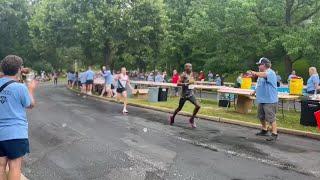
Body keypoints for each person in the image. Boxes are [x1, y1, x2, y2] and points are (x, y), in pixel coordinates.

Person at [0, 55, 37, 180]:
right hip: (15, 133)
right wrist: (31, 89)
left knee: (0, 166)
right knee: (14, 167)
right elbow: (30, 104)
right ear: (19, 69)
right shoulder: (20, 87)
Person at [249, 57, 278, 141]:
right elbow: (258, 85)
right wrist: (254, 91)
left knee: (271, 117)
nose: (258, 66)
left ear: (264, 65)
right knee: (261, 116)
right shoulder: (260, 74)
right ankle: (264, 130)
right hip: (262, 99)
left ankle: (274, 133)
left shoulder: (270, 72)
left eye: (259, 64)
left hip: (270, 100)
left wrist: (254, 73)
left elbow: (265, 75)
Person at [169, 63, 201, 128]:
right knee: (179, 108)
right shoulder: (183, 75)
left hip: (190, 94)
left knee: (198, 106)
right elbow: (178, 83)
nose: (190, 68)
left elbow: (193, 82)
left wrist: (194, 85)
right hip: (184, 95)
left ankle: (192, 119)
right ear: (186, 68)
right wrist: (186, 83)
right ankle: (172, 117)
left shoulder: (192, 74)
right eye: (189, 67)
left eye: (191, 67)